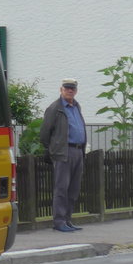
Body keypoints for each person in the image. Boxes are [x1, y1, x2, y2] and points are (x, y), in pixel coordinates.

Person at [40, 79, 87, 232]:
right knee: (62, 188)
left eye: (72, 88)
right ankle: (59, 222)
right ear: (61, 89)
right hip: (63, 152)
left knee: (73, 189)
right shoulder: (55, 108)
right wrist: (54, 149)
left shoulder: (76, 106)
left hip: (78, 151)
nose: (70, 91)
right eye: (67, 88)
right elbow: (45, 134)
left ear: (76, 90)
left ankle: (67, 220)